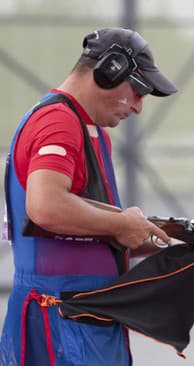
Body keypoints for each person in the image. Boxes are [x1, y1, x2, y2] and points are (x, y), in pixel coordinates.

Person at [1, 27, 178, 365]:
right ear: (109, 71)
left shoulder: (87, 130)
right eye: (139, 91)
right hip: (63, 322)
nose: (139, 107)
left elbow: (78, 230)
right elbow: (46, 207)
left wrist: (142, 235)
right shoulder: (59, 123)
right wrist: (119, 224)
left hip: (81, 317)